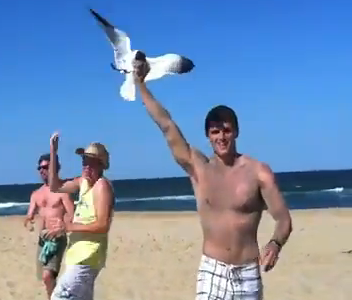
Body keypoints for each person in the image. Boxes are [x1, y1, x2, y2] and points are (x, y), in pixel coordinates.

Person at [132, 58, 293, 299]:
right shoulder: (199, 167)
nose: (221, 137)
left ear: (236, 131)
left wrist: (275, 244)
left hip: (248, 272)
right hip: (212, 270)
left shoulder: (258, 172)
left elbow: (283, 220)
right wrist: (140, 84)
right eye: (215, 131)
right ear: (208, 135)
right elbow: (166, 124)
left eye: (226, 130)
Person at [47, 132, 115, 300]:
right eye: (84, 161)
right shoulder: (82, 182)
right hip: (76, 256)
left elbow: (102, 225)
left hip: (87, 257)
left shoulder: (102, 186)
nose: (86, 166)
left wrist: (68, 226)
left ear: (100, 165)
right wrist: (53, 153)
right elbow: (54, 186)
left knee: (59, 297)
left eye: (91, 162)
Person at [24, 153, 74, 300]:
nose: (42, 171)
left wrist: (62, 225)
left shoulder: (63, 191)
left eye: (45, 167)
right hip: (43, 239)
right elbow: (29, 215)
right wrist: (29, 221)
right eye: (40, 168)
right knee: (46, 278)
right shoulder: (36, 194)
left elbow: (72, 214)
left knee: (47, 276)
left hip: (57, 237)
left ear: (55, 168)